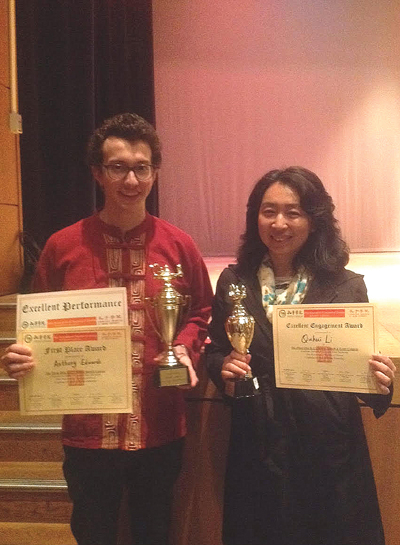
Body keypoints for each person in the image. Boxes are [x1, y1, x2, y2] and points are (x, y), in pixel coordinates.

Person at [1, 112, 213, 545]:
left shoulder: (179, 245)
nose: (131, 180)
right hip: (87, 431)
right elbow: (38, 326)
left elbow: (201, 311)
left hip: (160, 422)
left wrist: (183, 347)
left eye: (142, 167)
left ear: (155, 172)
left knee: (154, 531)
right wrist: (23, 356)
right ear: (98, 173)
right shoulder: (63, 246)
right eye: (118, 167)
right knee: (93, 532)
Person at [206, 166, 396, 545]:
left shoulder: (345, 286)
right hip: (258, 447)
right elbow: (215, 349)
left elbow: (362, 372)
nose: (279, 224)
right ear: (255, 217)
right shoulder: (234, 283)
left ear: (314, 219)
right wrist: (221, 367)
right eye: (269, 211)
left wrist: (380, 380)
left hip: (327, 453)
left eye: (293, 213)